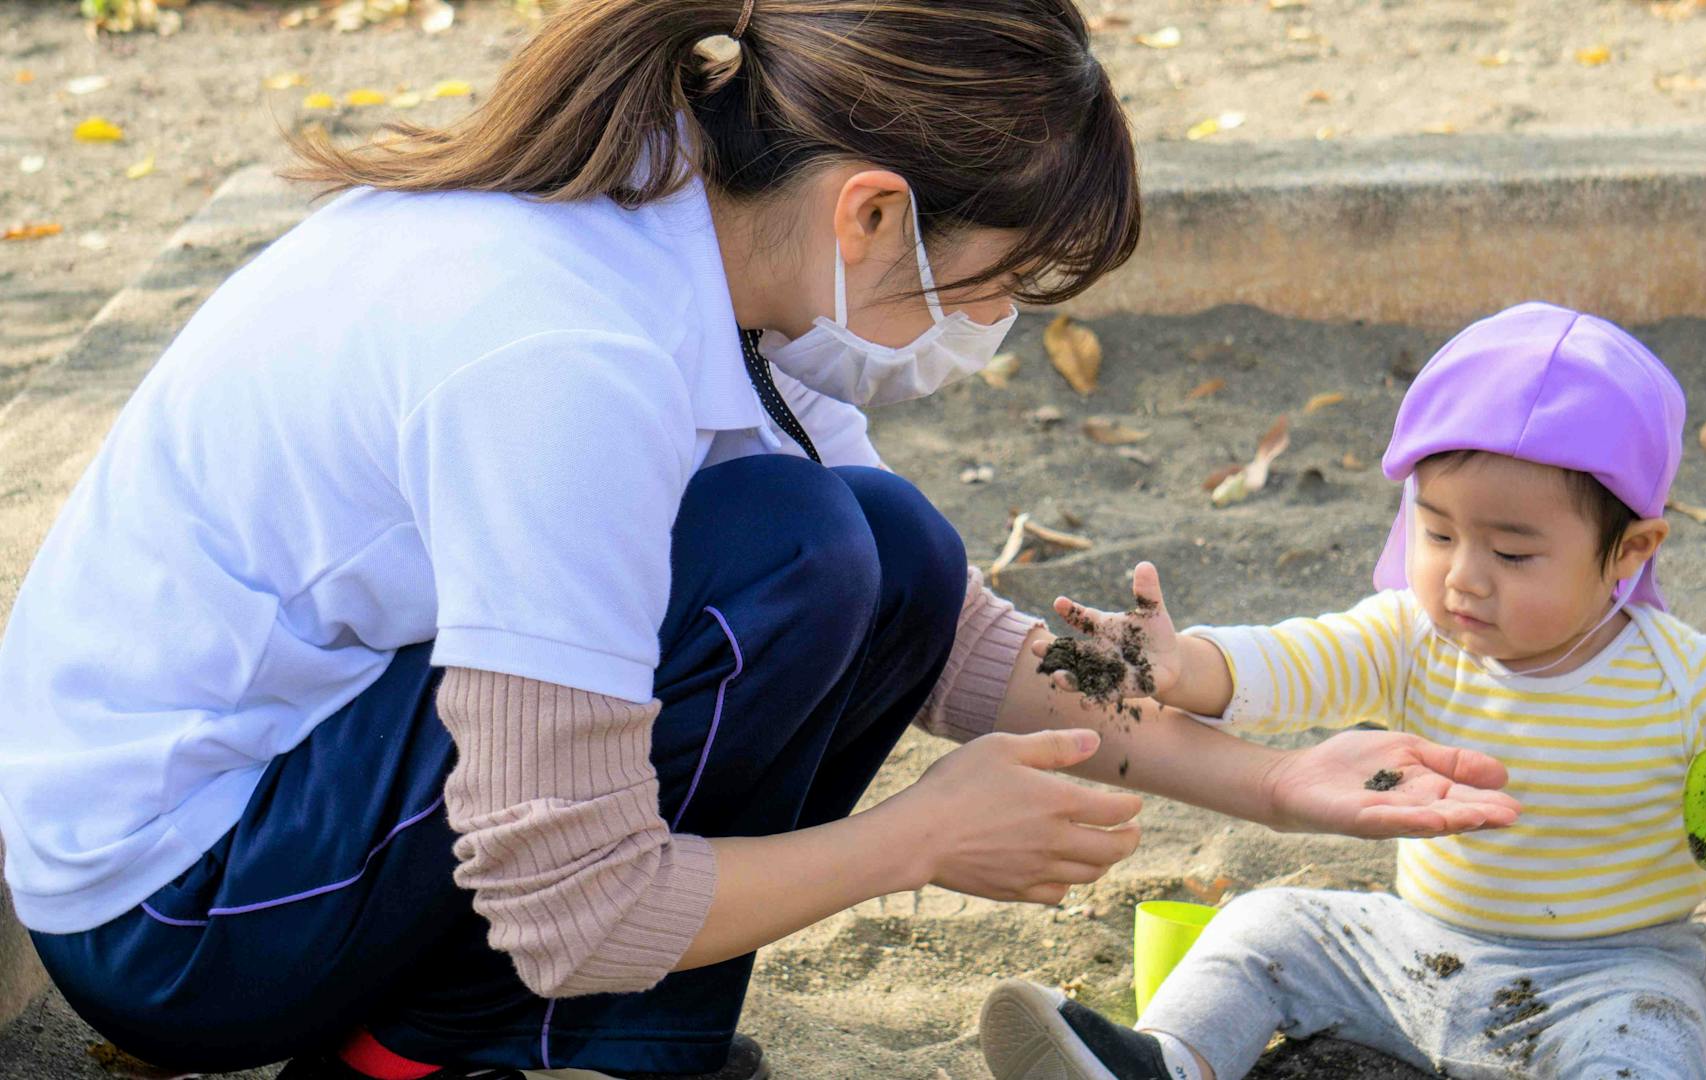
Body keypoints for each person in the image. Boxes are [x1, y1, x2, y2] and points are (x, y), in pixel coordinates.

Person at [0, 3, 1521, 1079]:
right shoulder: (564, 357)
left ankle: (603, 1053)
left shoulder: (696, 221)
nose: (993, 322)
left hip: (300, 782)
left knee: (882, 546)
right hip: (180, 910)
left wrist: (1273, 780)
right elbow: (572, 897)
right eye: (994, 281)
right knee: (794, 550)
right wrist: (916, 841)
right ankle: (439, 1059)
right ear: (872, 215)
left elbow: (949, 639)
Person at [978, 302, 1706, 1080]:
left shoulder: (1682, 675)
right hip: (1412, 952)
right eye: (1438, 533)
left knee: (1648, 1041)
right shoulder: (1412, 637)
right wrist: (1186, 667)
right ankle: (1167, 1062)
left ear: (1630, 551)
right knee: (1266, 924)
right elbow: (1293, 662)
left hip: (1611, 974)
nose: (1463, 578)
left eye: (1513, 553)